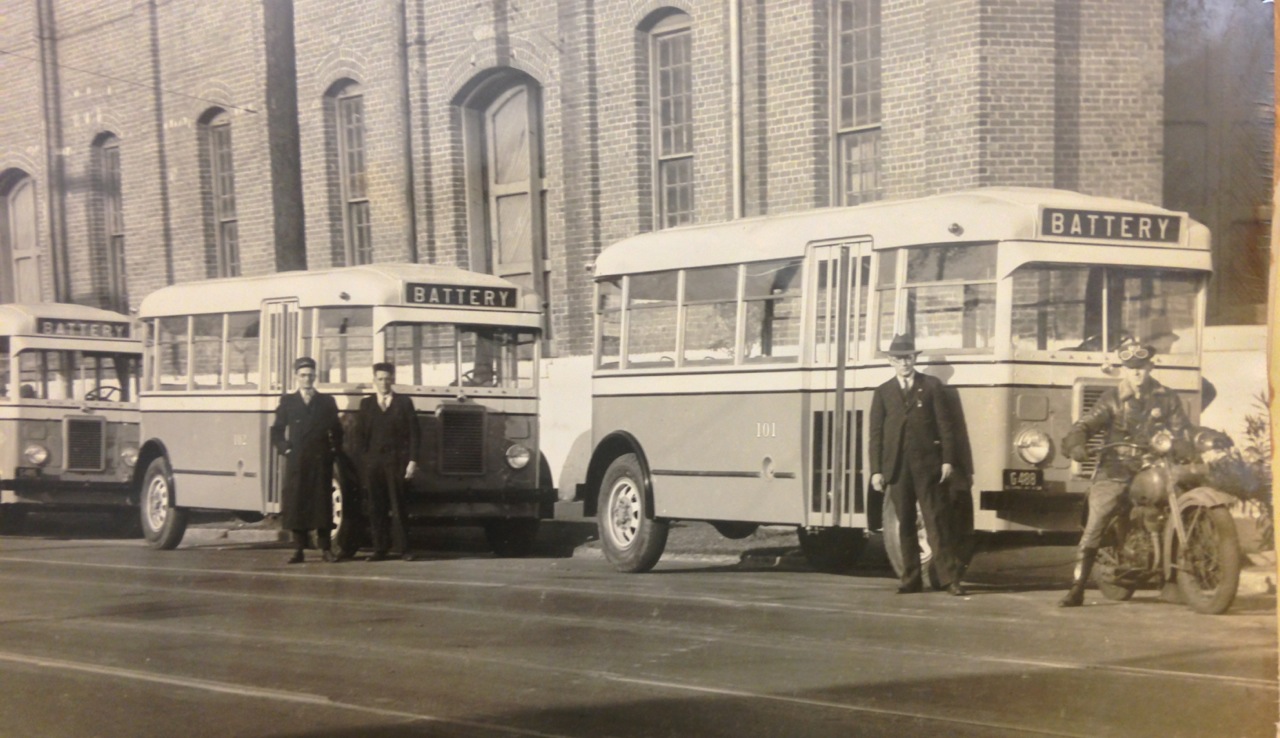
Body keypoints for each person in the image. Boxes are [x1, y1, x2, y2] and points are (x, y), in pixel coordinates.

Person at [1059, 339, 1190, 607]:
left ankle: (1174, 578)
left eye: (1141, 367)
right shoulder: (1112, 399)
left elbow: (1182, 429)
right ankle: (1078, 586)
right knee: (1098, 518)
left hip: (1153, 466)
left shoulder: (1167, 397)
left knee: (1178, 500)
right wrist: (1076, 443)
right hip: (1116, 468)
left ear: (1150, 366)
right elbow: (1085, 424)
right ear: (1124, 370)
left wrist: (1189, 442)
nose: (1137, 373)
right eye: (1131, 368)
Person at [869, 333, 967, 596]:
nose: (904, 363)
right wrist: (876, 470)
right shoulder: (883, 392)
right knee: (905, 523)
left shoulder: (932, 386)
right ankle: (910, 579)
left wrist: (947, 460)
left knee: (936, 520)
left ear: (915, 359)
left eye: (909, 358)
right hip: (897, 468)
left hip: (927, 466)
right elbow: (876, 435)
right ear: (891, 361)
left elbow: (946, 427)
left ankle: (949, 580)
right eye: (899, 359)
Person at [270, 357, 342, 564]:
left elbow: (336, 430)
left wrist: (333, 451)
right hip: (297, 460)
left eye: (310, 375)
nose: (307, 379)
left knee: (322, 503)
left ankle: (325, 548)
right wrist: (286, 449)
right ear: (296, 377)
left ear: (315, 376)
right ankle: (298, 549)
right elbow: (276, 430)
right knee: (297, 502)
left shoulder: (327, 401)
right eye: (303, 375)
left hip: (320, 459)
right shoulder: (288, 401)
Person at [354, 362, 421, 562]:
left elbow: (415, 434)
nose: (384, 383)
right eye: (380, 379)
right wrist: (366, 462)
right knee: (376, 507)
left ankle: (404, 549)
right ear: (374, 381)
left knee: (399, 505)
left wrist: (412, 461)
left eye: (388, 379)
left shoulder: (404, 403)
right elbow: (360, 437)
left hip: (397, 463)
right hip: (374, 464)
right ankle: (379, 549)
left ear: (393, 380)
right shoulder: (366, 405)